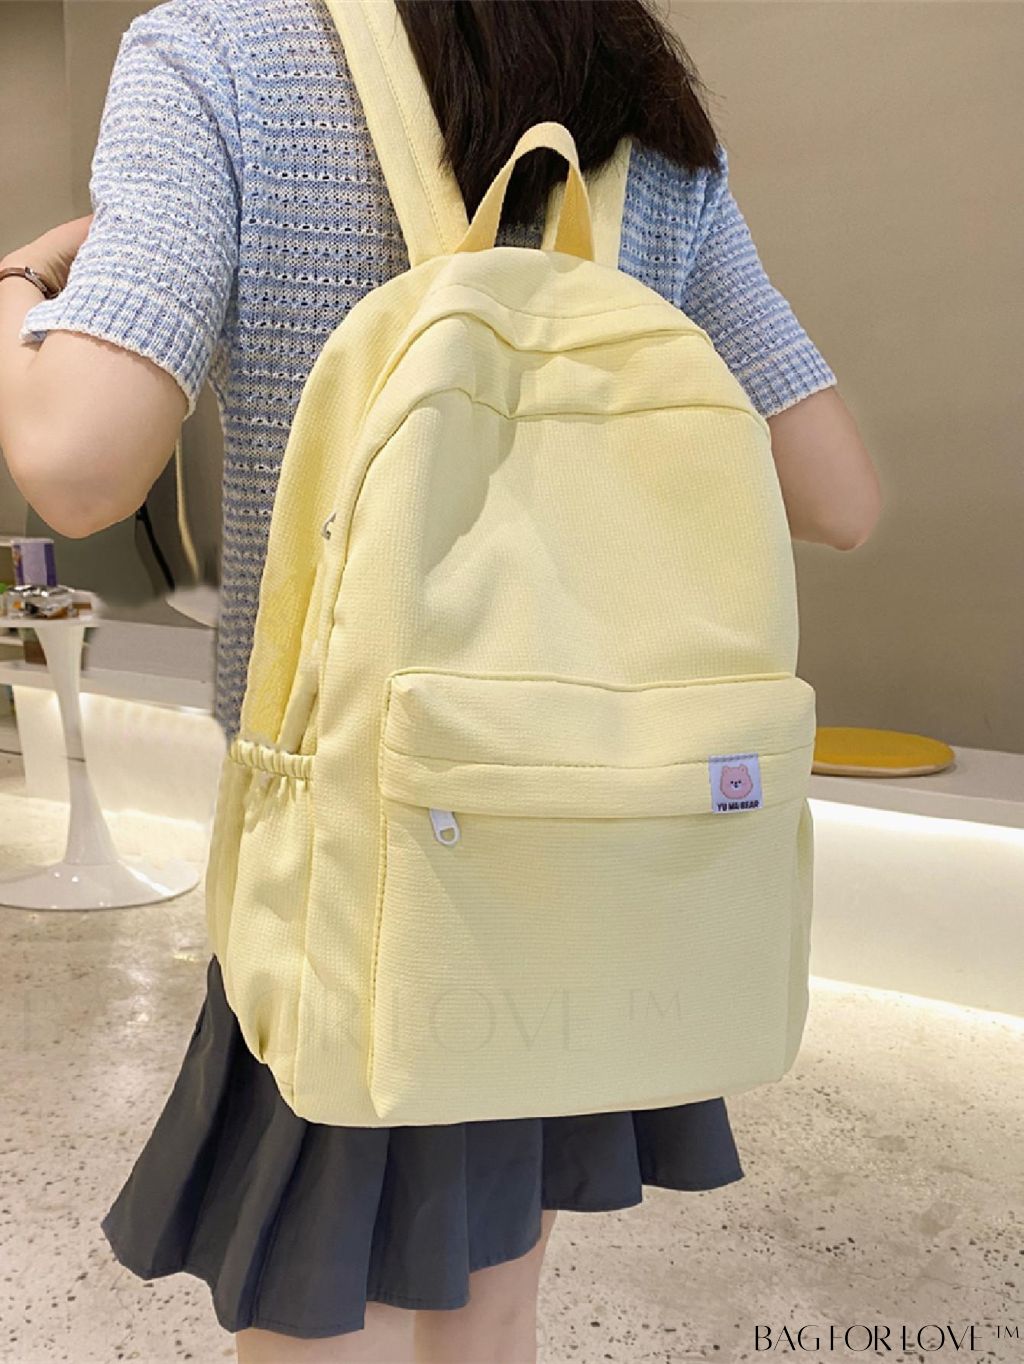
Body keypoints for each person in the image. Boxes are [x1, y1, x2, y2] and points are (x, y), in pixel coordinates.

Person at [0, 0, 882, 1359]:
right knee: (496, 1299)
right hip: (595, 840)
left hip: (353, 843)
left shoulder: (218, 52)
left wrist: (19, 287)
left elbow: (77, 465)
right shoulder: (643, 107)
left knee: (322, 1314)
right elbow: (838, 497)